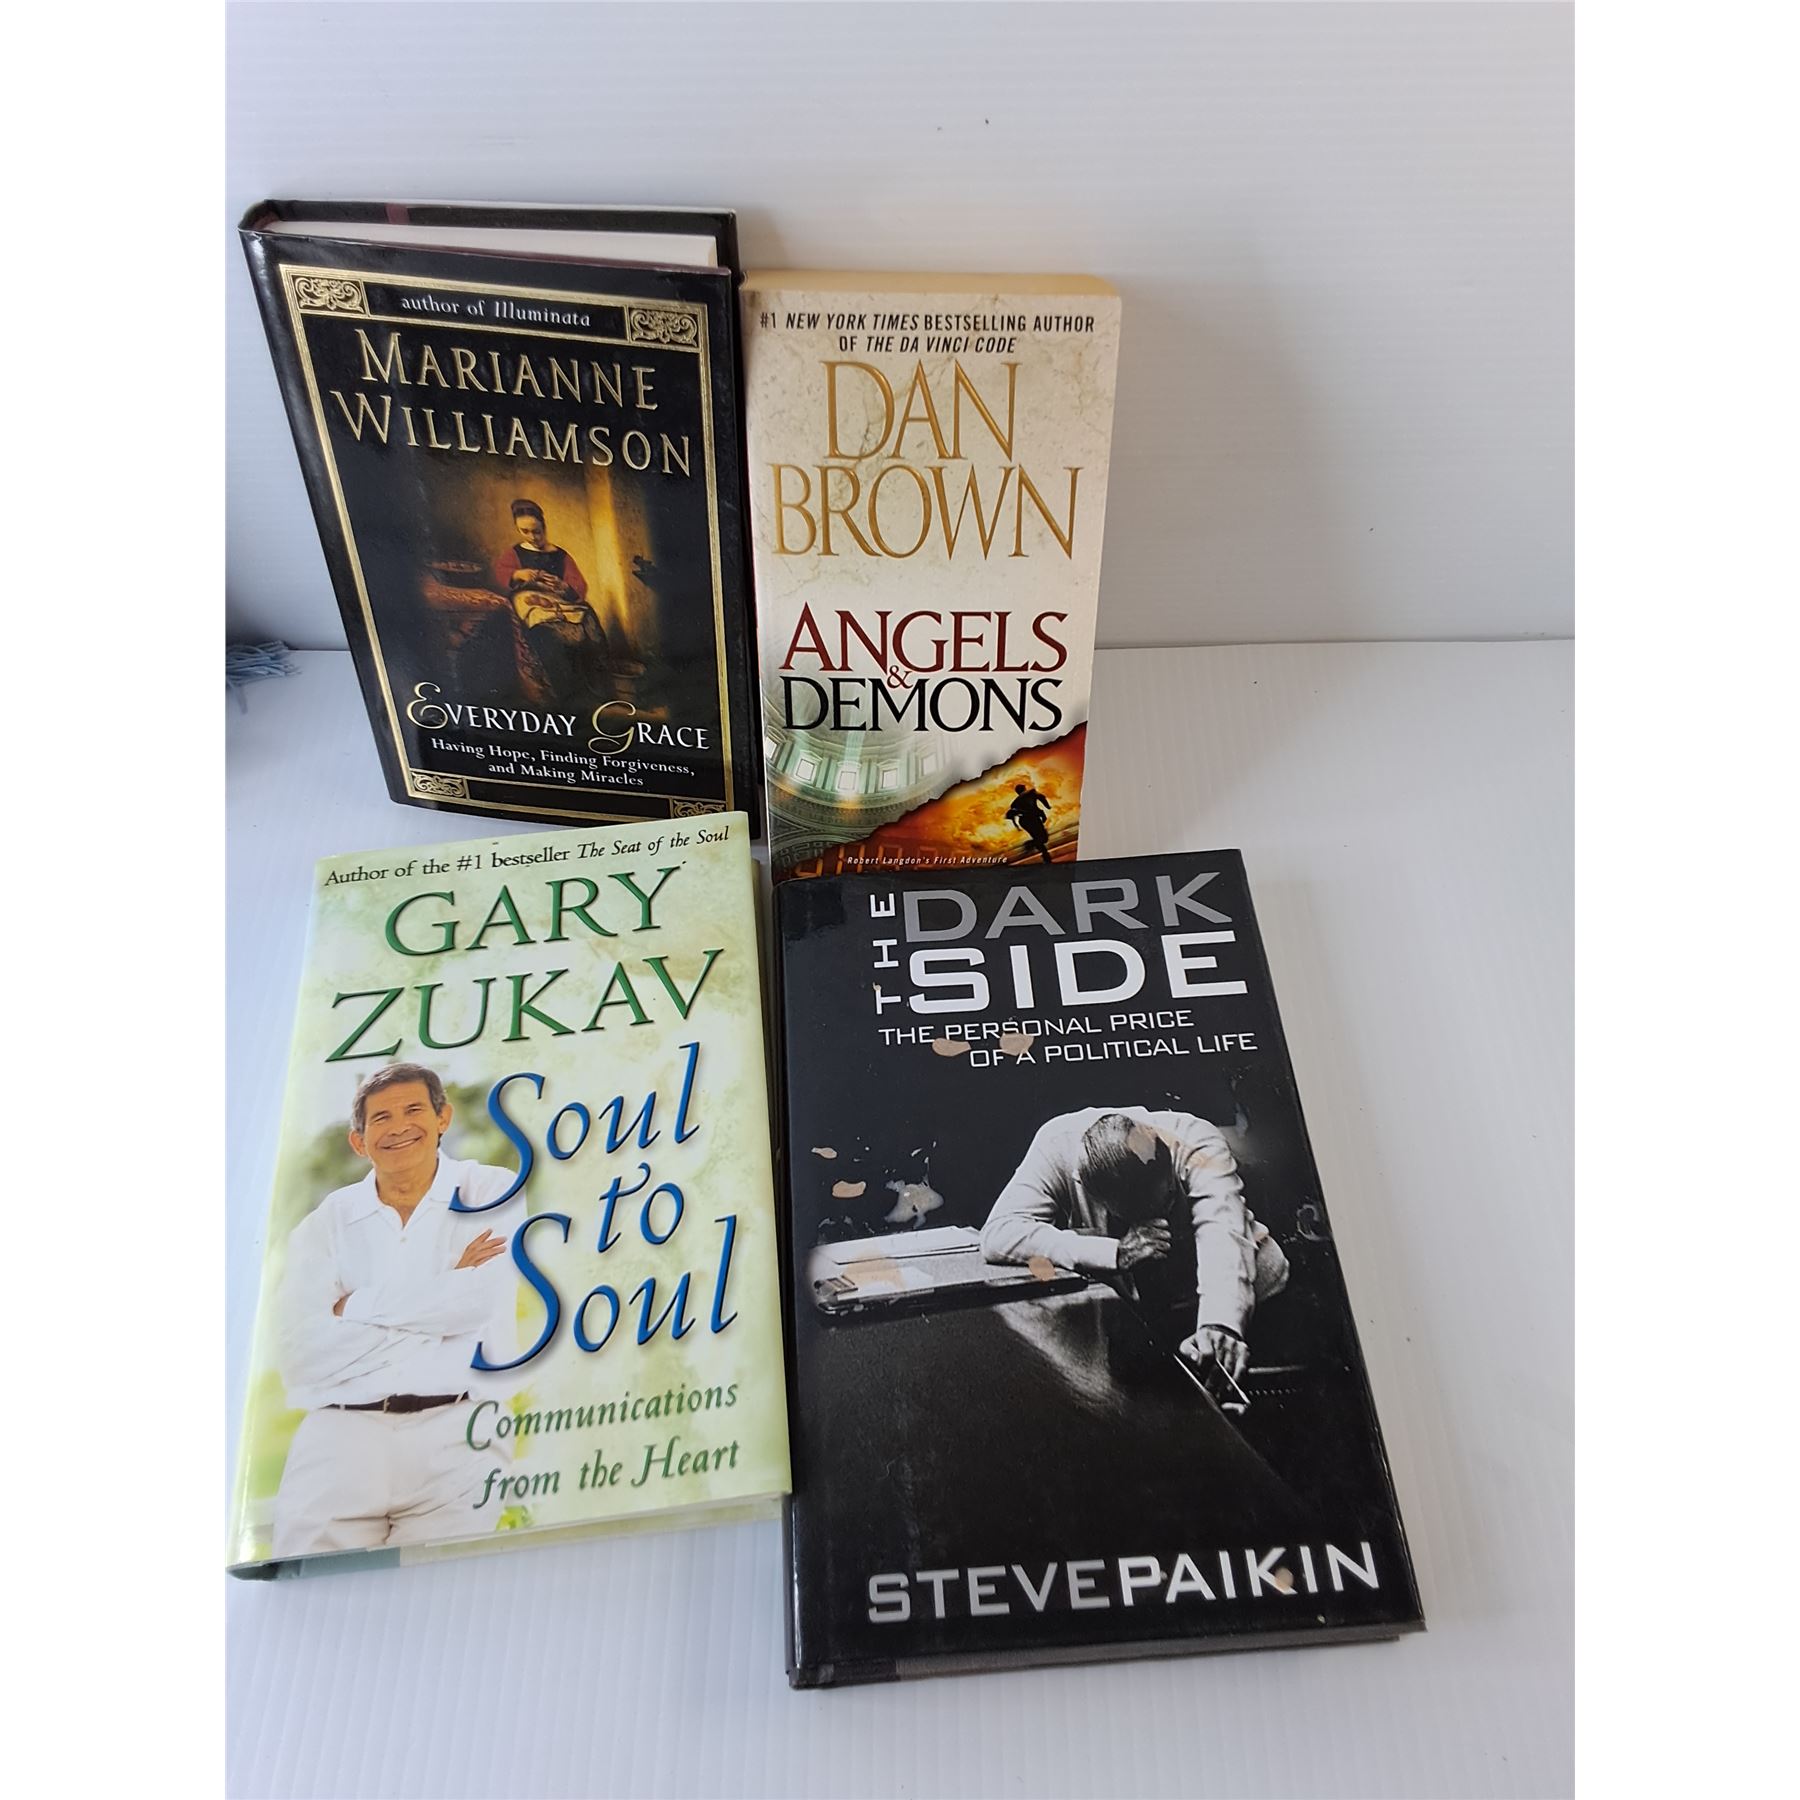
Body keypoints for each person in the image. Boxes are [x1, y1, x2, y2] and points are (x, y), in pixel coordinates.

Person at [271, 1063, 521, 1557]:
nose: (399, 1126)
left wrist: (353, 1307)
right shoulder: (327, 1223)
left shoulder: (491, 1190)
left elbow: (477, 1303)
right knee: (311, 1583)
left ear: (443, 1118)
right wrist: (444, 1289)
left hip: (460, 1433)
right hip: (338, 1439)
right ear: (358, 1142)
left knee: (448, 1589)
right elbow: (299, 1355)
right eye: (381, 1118)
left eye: (413, 1110)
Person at [979, 1106, 1289, 1397]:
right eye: (1134, 1218)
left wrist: (1220, 1324)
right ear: (1093, 1192)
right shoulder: (1056, 1144)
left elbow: (1222, 1231)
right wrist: (1116, 1251)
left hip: (1246, 1296)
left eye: (1167, 1203)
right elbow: (999, 1233)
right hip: (1142, 1316)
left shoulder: (1196, 1140)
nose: (1158, 1228)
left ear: (1170, 1164)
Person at [491, 498, 612, 703]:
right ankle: (563, 695)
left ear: (544, 526)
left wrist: (563, 585)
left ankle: (595, 689)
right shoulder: (514, 553)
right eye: (525, 531)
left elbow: (579, 585)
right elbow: (501, 574)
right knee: (550, 635)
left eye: (537, 531)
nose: (533, 537)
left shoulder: (560, 555)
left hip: (560, 601)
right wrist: (519, 574)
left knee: (590, 623)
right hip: (531, 604)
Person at [1005, 782, 1055, 865]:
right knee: (1042, 838)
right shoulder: (1030, 793)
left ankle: (1042, 854)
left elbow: (1012, 815)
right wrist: (1047, 806)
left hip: (1025, 821)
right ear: (1024, 789)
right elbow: (1041, 797)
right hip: (1032, 819)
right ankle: (1045, 856)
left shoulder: (1015, 802)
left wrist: (1016, 826)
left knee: (1039, 838)